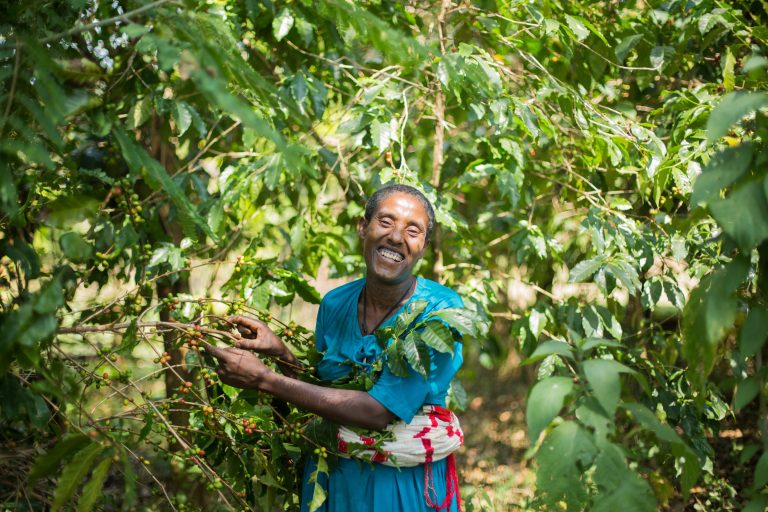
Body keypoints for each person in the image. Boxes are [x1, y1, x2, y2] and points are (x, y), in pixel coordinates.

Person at [206, 184, 464, 511]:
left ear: (423, 247)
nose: (397, 237)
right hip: (335, 479)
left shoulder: (439, 310)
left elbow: (377, 412)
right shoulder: (335, 303)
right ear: (363, 227)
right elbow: (325, 395)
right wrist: (281, 354)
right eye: (385, 222)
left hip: (401, 487)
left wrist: (264, 379)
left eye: (413, 231)